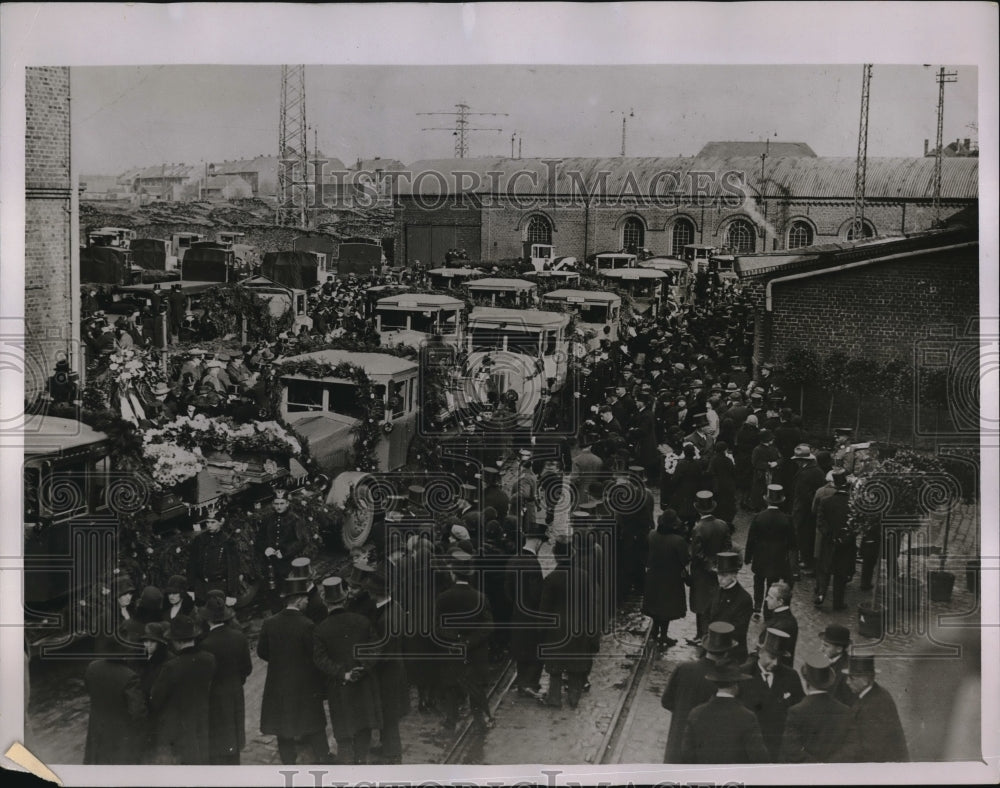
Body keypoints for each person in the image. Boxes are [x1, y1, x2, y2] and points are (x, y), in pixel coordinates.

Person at [258, 576, 331, 765]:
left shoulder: (269, 623)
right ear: (298, 600)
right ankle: (323, 755)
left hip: (278, 681)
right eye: (306, 598)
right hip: (304, 682)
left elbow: (262, 651)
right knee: (313, 720)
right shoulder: (307, 625)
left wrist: (281, 662)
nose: (308, 601)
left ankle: (288, 761)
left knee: (282, 723)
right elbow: (314, 655)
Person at [313, 577, 382, 765]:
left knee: (343, 732)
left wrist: (342, 673)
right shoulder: (362, 621)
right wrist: (363, 667)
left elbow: (320, 659)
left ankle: (346, 768)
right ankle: (361, 762)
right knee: (363, 727)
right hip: (363, 684)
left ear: (326, 602)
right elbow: (376, 648)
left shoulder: (321, 629)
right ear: (344, 599)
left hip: (339, 687)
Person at [434, 551, 495, 730]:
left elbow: (436, 626)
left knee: (452, 685)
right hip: (475, 652)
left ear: (452, 573)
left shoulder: (443, 598)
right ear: (471, 573)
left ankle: (451, 720)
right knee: (476, 685)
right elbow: (488, 626)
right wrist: (468, 642)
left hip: (452, 650)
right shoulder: (480, 598)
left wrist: (454, 640)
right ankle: (479, 721)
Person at [661, 622, 738, 762]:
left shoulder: (683, 668)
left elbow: (666, 701)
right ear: (727, 652)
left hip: (677, 745)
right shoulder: (725, 680)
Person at [149, 614, 215, 764]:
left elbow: (156, 698)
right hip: (201, 716)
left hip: (179, 724)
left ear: (177, 642)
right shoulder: (209, 659)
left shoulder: (172, 666)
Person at [539, 539, 596, 710]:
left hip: (556, 630)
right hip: (578, 628)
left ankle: (554, 698)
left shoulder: (551, 579)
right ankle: (573, 697)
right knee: (576, 665)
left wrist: (541, 632)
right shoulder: (584, 576)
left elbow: (544, 609)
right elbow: (590, 606)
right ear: (572, 555)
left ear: (556, 556)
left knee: (555, 667)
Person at [358, 569, 408, 763]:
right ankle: (388, 747)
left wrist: (365, 665)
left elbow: (382, 651)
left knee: (389, 715)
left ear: (373, 593)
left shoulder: (384, 618)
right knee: (389, 713)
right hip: (396, 668)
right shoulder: (395, 607)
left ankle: (393, 754)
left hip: (387, 673)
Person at [198, 592, 252, 765]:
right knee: (234, 730)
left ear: (207, 619)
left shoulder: (205, 644)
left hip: (215, 694)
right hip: (235, 690)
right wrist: (237, 680)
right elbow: (247, 668)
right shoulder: (239, 637)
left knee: (218, 734)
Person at [680, 661, 769, 764]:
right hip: (734, 776)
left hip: (704, 775)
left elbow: (686, 753)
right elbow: (759, 756)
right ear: (736, 686)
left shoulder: (696, 713)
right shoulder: (747, 717)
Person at [739, 629, 804, 760]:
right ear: (760, 652)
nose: (776, 663)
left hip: (779, 748)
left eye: (780, 658)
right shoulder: (743, 675)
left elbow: (800, 709)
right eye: (772, 657)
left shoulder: (791, 676)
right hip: (749, 748)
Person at [83, 631, 147, 764]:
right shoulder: (130, 676)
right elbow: (137, 712)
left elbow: (89, 690)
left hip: (96, 729)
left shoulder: (92, 667)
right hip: (120, 735)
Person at [833, 652, 909, 762]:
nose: (847, 682)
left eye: (852, 678)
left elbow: (871, 751)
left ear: (865, 680)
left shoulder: (874, 706)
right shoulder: (875, 693)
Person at [779, 655, 851, 763]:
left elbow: (791, 749)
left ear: (806, 682)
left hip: (806, 773)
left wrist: (815, 764)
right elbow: (848, 746)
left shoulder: (796, 711)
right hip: (833, 771)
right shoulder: (844, 710)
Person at [504, 524, 547, 699]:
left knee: (520, 650)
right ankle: (531, 684)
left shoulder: (512, 560)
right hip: (532, 616)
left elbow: (507, 591)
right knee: (535, 650)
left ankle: (522, 682)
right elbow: (536, 594)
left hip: (516, 614)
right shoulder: (533, 563)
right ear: (537, 542)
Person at [744, 485, 796, 615]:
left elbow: (751, 539)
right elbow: (792, 542)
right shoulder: (787, 519)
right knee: (772, 582)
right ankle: (768, 607)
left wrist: (748, 556)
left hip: (760, 554)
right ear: (781, 501)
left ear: (767, 500)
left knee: (758, 580)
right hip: (777, 556)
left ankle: (757, 606)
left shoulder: (759, 517)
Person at [641, 509, 689, 651]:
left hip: (654, 577)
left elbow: (645, 553)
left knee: (655, 605)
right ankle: (663, 635)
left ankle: (655, 631)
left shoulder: (651, 535)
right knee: (666, 608)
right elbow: (685, 560)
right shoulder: (678, 541)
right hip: (671, 579)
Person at [688, 491, 732, 640]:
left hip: (701, 573)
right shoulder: (722, 525)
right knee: (715, 602)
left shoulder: (698, 528)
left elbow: (697, 554)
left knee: (701, 604)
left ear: (698, 509)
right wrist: (719, 565)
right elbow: (727, 547)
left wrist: (708, 566)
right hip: (719, 570)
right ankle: (709, 635)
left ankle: (702, 635)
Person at [814, 469, 854, 611]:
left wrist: (829, 535)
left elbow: (820, 522)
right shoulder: (853, 504)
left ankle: (820, 595)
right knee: (840, 573)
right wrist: (845, 537)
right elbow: (855, 526)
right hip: (846, 544)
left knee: (824, 568)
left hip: (828, 541)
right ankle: (838, 602)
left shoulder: (826, 502)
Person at [707, 552, 754, 662]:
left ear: (734, 575)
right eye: (719, 574)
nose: (720, 579)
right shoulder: (716, 590)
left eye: (724, 575)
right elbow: (706, 614)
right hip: (713, 647)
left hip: (732, 652)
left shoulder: (744, 599)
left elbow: (739, 629)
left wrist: (717, 638)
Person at [187, 513, 240, 604]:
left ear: (220, 522)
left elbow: (233, 568)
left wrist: (231, 593)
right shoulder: (199, 539)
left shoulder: (227, 541)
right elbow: (192, 564)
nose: (209, 525)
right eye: (207, 522)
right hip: (201, 588)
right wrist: (191, 588)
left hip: (219, 588)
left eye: (213, 522)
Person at [791, 447, 827, 577]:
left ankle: (808, 562)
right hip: (811, 510)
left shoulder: (806, 473)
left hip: (803, 510)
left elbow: (804, 495)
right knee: (808, 536)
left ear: (801, 460)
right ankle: (807, 560)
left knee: (803, 536)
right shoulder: (817, 470)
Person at [760, 581, 798, 667]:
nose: (766, 599)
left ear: (780, 602)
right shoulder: (786, 617)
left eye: (770, 597)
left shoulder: (781, 625)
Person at [818, 624, 854, 707]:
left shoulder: (847, 671)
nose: (821, 649)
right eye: (822, 644)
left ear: (839, 649)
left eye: (826, 646)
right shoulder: (825, 659)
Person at [749, 429, 780, 511]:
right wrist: (768, 464)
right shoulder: (757, 449)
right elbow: (755, 463)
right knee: (760, 491)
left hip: (773, 474)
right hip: (761, 474)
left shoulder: (773, 448)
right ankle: (759, 507)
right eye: (771, 438)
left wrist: (776, 463)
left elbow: (780, 458)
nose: (773, 440)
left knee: (771, 491)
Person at [709, 440, 738, 524]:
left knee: (718, 504)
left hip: (717, 485)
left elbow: (710, 472)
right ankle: (728, 522)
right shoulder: (728, 460)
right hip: (728, 485)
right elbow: (733, 472)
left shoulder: (713, 460)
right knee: (729, 504)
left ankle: (719, 521)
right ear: (725, 450)